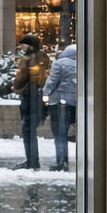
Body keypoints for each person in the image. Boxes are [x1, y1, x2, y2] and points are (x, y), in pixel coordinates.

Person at [13, 33, 51, 170]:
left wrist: (16, 87)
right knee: (31, 130)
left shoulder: (29, 58)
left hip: (29, 96)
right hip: (39, 96)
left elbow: (22, 77)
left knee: (27, 129)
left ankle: (32, 161)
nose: (23, 48)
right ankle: (32, 160)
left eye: (25, 45)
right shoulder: (44, 57)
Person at [44, 44, 77, 172]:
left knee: (59, 133)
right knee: (70, 131)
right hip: (75, 102)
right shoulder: (83, 63)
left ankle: (62, 161)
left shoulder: (59, 63)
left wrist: (45, 94)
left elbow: (52, 81)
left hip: (59, 101)